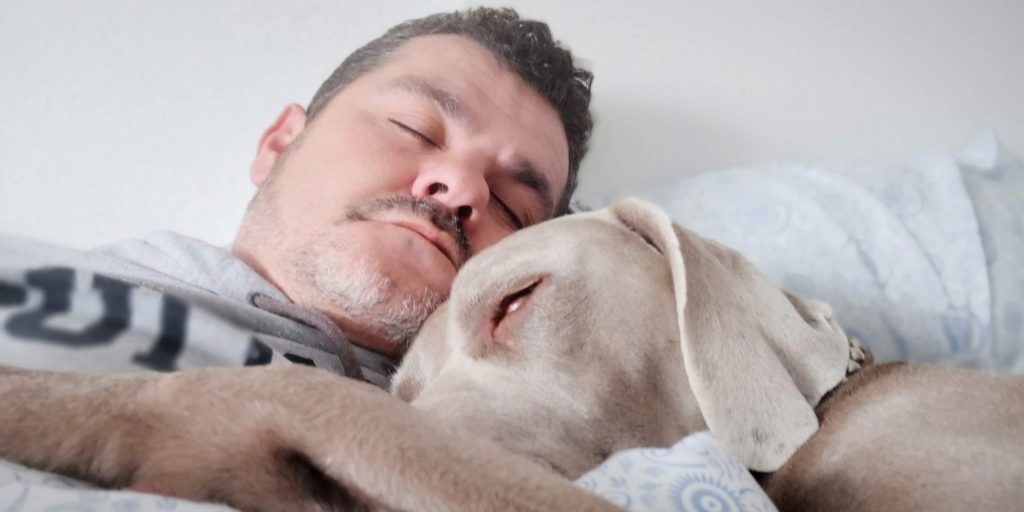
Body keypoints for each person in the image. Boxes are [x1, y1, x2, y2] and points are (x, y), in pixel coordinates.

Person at [0, 7, 593, 388]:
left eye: (513, 208)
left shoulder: (514, 437)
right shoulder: (43, 301)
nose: (464, 190)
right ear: (281, 142)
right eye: (415, 129)